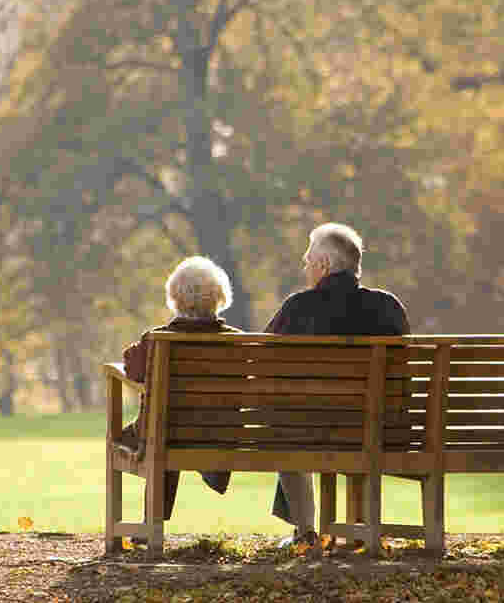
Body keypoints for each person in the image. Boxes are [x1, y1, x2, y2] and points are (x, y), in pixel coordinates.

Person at [265, 222, 410, 546]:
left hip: (309, 433)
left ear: (324, 265)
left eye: (308, 261)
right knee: (310, 423)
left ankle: (305, 532)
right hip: (383, 430)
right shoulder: (387, 307)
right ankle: (356, 527)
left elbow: (260, 362)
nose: (305, 267)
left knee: (286, 427)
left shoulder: (298, 308)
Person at [120, 256, 241, 540]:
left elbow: (134, 372)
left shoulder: (157, 339)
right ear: (220, 296)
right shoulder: (238, 341)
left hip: (164, 433)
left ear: (175, 297)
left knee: (156, 429)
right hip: (217, 436)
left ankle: (151, 524)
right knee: (168, 424)